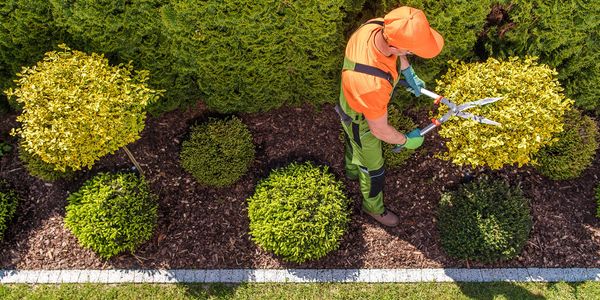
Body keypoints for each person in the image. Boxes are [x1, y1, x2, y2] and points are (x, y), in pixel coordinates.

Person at [335, 6, 444, 227]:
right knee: (373, 168)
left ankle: (350, 169)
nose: (410, 55)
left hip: (350, 99)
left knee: (352, 142)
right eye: (411, 51)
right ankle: (373, 207)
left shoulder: (376, 27)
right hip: (360, 120)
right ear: (395, 45)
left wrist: (407, 71)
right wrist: (407, 140)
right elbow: (379, 130)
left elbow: (397, 51)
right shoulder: (372, 85)